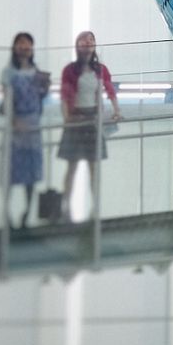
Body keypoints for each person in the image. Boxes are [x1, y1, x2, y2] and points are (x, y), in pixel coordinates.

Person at [57, 31, 122, 218]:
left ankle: (96, 206)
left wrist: (116, 110)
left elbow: (110, 90)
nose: (88, 42)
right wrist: (66, 117)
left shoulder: (100, 69)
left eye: (91, 40)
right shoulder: (70, 70)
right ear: (77, 45)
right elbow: (65, 95)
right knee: (72, 165)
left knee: (93, 165)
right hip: (76, 117)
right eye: (84, 40)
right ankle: (66, 205)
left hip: (93, 116)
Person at [0, 32, 50, 229]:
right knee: (11, 170)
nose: (24, 47)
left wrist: (44, 89)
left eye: (28, 44)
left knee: (31, 172)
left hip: (33, 125)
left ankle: (27, 211)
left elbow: (40, 99)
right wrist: (13, 120)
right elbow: (7, 98)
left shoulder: (36, 72)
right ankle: (6, 211)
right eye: (20, 44)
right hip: (16, 125)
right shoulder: (9, 73)